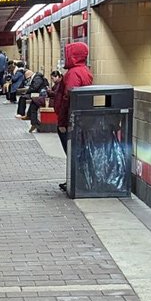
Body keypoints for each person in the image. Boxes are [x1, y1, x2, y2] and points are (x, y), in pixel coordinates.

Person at [55, 42, 93, 191]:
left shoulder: (73, 74)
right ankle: (78, 179)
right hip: (81, 120)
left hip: (71, 121)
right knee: (79, 151)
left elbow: (67, 97)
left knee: (72, 151)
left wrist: (62, 121)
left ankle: (76, 181)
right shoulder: (85, 71)